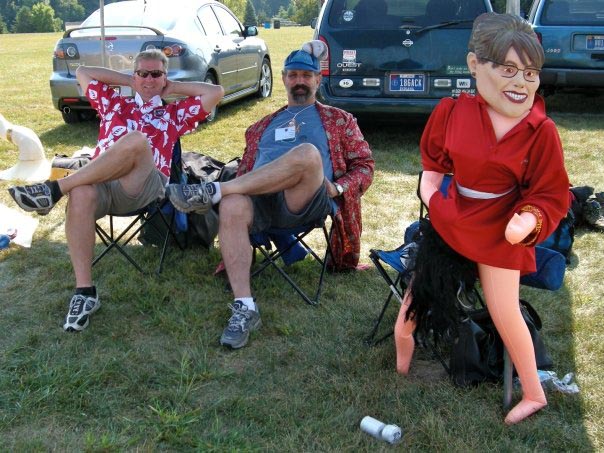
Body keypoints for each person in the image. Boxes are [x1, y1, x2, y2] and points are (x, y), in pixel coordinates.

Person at [393, 13, 570, 425]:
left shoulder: (540, 131)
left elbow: (550, 191)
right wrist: (432, 195)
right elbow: (432, 168)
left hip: (502, 229)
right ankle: (402, 362)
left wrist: (528, 219)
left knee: (505, 312)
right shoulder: (452, 112)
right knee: (414, 305)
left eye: (530, 73)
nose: (521, 82)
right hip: (452, 219)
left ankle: (534, 392)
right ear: (475, 65)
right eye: (508, 69)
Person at [166, 41, 374, 350]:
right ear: (284, 78)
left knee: (306, 153)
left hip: (305, 199)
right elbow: (248, 169)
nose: (300, 81)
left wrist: (338, 187)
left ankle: (214, 191)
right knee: (233, 205)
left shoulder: (340, 120)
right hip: (259, 199)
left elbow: (365, 166)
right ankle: (244, 307)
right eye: (294, 75)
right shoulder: (261, 126)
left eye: (306, 75)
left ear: (318, 80)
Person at [8, 49, 224, 332]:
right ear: (135, 76)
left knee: (136, 141)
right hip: (103, 185)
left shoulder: (173, 113)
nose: (149, 79)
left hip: (144, 186)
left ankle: (54, 190)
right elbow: (83, 72)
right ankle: (85, 292)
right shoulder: (113, 103)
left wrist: (172, 87)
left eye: (156, 74)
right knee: (82, 193)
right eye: (142, 73)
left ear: (164, 77)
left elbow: (216, 92)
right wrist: (129, 80)